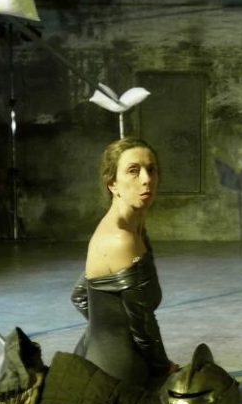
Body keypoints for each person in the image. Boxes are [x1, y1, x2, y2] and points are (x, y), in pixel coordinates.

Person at [71, 136, 178, 388]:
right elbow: (142, 323)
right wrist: (163, 367)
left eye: (151, 169)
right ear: (112, 184)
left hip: (104, 355)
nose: (146, 179)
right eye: (133, 171)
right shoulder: (119, 239)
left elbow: (79, 296)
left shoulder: (134, 225)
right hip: (119, 372)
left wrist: (107, 329)